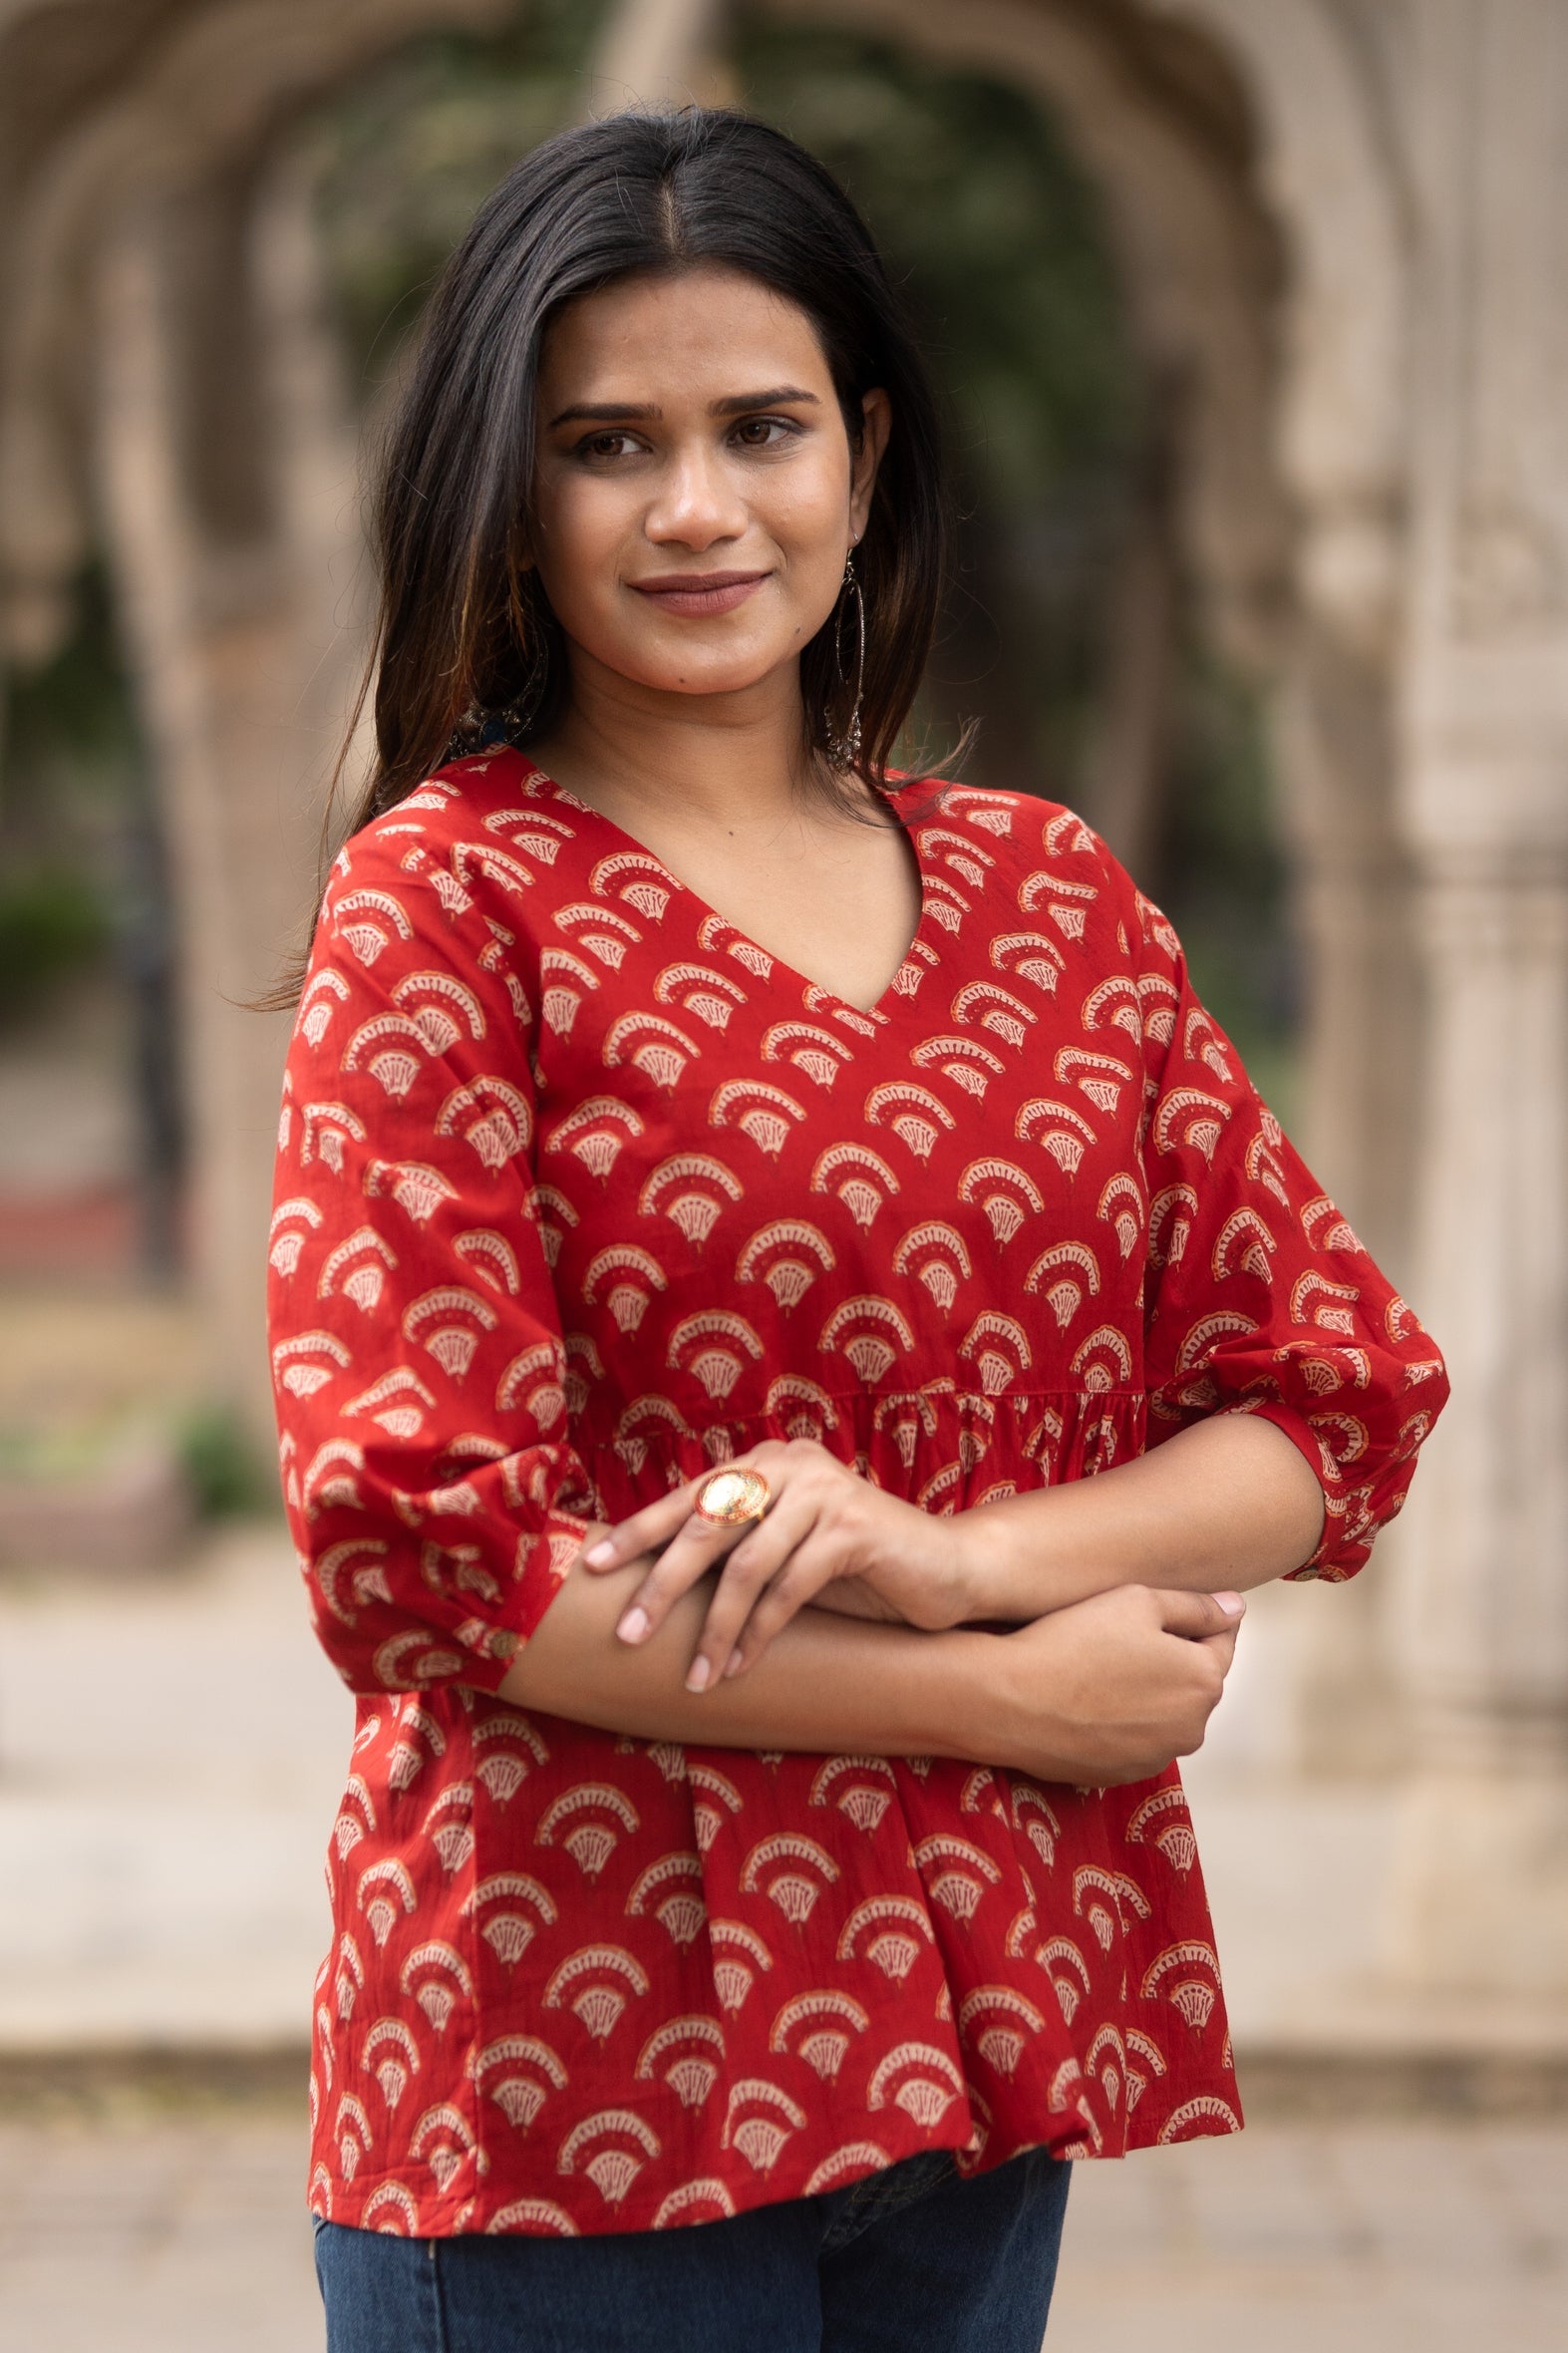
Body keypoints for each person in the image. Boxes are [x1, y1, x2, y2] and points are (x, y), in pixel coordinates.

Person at [268, 107, 1447, 2353]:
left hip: (980, 2055)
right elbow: (417, 1551)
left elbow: (1332, 1405)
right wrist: (998, 1693)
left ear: (866, 451)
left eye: (760, 427)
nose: (695, 508)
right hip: (576, 2077)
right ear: (510, 487)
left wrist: (965, 1556)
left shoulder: (1050, 896)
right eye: (607, 445)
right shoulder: (449, 899)